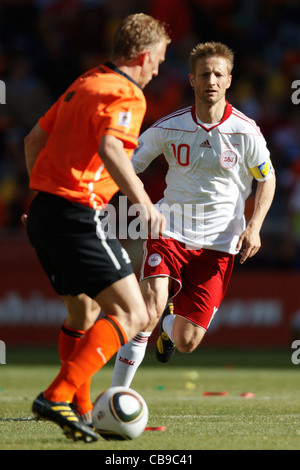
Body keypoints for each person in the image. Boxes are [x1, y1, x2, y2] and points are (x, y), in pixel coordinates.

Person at [24, 13, 170, 443]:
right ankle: (58, 395)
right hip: (79, 213)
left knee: (83, 313)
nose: (159, 69)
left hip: (46, 212)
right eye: (159, 60)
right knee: (135, 312)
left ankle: (83, 410)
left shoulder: (84, 83)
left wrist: (44, 195)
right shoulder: (127, 94)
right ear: (143, 56)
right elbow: (111, 148)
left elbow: (33, 139)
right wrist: (143, 202)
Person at [111, 41, 276, 388]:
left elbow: (267, 178)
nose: (211, 81)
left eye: (218, 74)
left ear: (229, 80)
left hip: (220, 241)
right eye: (204, 74)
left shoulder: (246, 132)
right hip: (169, 228)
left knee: (187, 341)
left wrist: (255, 226)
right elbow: (126, 166)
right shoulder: (169, 127)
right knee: (150, 308)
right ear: (191, 79)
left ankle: (170, 330)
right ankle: (115, 396)